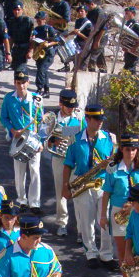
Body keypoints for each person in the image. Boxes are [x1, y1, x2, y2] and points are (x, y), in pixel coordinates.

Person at [62, 104, 116, 269]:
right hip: (83, 183)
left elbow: (115, 162)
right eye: (96, 119)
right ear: (87, 119)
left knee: (105, 220)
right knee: (86, 221)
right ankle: (91, 253)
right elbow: (68, 164)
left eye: (101, 119)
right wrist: (65, 186)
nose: (100, 122)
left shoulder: (109, 138)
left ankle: (106, 255)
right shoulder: (75, 139)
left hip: (103, 184)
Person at [100, 133, 139, 277]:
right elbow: (106, 193)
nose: (131, 153)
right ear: (122, 149)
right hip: (119, 213)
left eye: (134, 149)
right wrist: (103, 215)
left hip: (138, 210)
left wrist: (134, 205)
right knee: (123, 251)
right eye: (128, 149)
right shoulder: (113, 168)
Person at [0, 71, 45, 213]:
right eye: (18, 83)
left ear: (28, 83)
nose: (21, 86)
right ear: (15, 83)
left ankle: (35, 203)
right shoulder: (9, 98)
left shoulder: (36, 99)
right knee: (19, 172)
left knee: (35, 171)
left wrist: (41, 141)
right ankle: (21, 200)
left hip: (33, 139)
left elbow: (41, 121)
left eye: (24, 83)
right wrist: (12, 130)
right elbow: (3, 118)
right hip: (18, 138)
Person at [42, 89, 85, 236]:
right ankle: (62, 223)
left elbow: (85, 134)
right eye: (68, 106)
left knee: (78, 192)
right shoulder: (52, 118)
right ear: (61, 104)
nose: (71, 109)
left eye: (73, 106)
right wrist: (54, 140)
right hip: (60, 158)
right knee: (61, 191)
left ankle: (81, 228)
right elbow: (43, 137)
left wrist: (67, 133)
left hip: (77, 159)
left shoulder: (79, 117)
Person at [32, 11, 59, 98]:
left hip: (48, 52)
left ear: (44, 20)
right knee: (44, 71)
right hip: (40, 52)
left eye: (40, 20)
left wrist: (49, 44)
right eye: (37, 21)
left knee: (41, 70)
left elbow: (57, 40)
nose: (38, 22)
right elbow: (34, 41)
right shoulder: (36, 29)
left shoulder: (49, 29)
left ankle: (39, 89)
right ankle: (46, 91)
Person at [8, 2, 34, 74]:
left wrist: (30, 51)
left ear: (22, 10)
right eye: (15, 10)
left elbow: (33, 37)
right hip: (15, 49)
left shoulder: (27, 21)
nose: (17, 12)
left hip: (24, 48)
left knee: (20, 70)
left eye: (18, 10)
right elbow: (10, 38)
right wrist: (8, 52)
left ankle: (23, 80)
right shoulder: (11, 21)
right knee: (16, 70)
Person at [85, 0, 108, 72]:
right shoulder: (91, 11)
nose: (87, 8)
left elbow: (104, 28)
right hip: (94, 35)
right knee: (99, 53)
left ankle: (92, 69)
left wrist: (97, 40)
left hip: (101, 36)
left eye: (88, 6)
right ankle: (103, 70)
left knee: (93, 55)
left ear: (92, 4)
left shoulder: (100, 13)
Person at [122, 6, 139, 74]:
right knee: (127, 68)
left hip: (133, 51)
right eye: (125, 13)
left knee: (130, 69)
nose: (125, 14)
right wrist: (125, 46)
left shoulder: (135, 25)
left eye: (127, 13)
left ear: (133, 14)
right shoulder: (128, 24)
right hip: (128, 50)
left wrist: (135, 47)